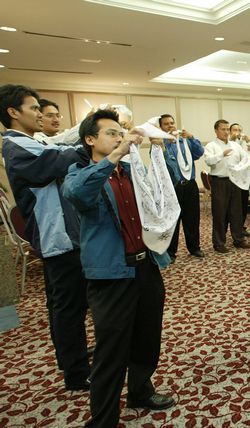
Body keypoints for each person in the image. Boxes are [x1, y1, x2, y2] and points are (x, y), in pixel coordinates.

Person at [62, 109, 176, 426]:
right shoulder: (79, 173)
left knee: (147, 337)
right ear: (90, 139)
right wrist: (114, 156)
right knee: (111, 350)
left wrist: (157, 150)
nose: (119, 137)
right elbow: (78, 195)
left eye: (120, 132)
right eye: (111, 133)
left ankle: (140, 390)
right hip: (111, 274)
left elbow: (161, 195)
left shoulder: (130, 170)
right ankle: (103, 419)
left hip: (145, 267)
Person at [0, 84, 91, 391]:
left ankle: (72, 357)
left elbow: (59, 143)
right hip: (57, 235)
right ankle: (76, 371)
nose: (40, 114)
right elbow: (59, 159)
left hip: (62, 232)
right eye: (34, 109)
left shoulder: (32, 141)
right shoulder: (16, 147)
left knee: (64, 303)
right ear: (13, 112)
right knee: (68, 305)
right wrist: (91, 143)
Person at [158, 114, 205, 261]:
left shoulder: (184, 141)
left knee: (192, 218)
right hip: (173, 186)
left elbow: (200, 152)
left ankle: (194, 248)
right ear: (161, 127)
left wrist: (191, 137)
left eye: (172, 123)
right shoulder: (159, 144)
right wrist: (165, 143)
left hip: (190, 184)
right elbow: (161, 162)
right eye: (166, 124)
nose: (170, 125)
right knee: (172, 220)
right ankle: (170, 252)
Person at [203, 119, 250, 253]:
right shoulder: (211, 146)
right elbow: (208, 161)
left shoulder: (235, 145)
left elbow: (245, 158)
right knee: (220, 213)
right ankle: (219, 243)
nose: (226, 132)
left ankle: (238, 239)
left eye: (227, 129)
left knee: (236, 212)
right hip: (219, 182)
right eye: (223, 129)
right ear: (216, 130)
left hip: (235, 181)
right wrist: (221, 154)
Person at [230, 123, 250, 236]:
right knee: (233, 207)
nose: (237, 132)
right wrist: (232, 139)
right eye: (235, 130)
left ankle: (241, 227)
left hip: (244, 179)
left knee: (243, 205)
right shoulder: (228, 143)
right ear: (230, 132)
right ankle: (234, 229)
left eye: (239, 130)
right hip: (232, 179)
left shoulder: (245, 143)